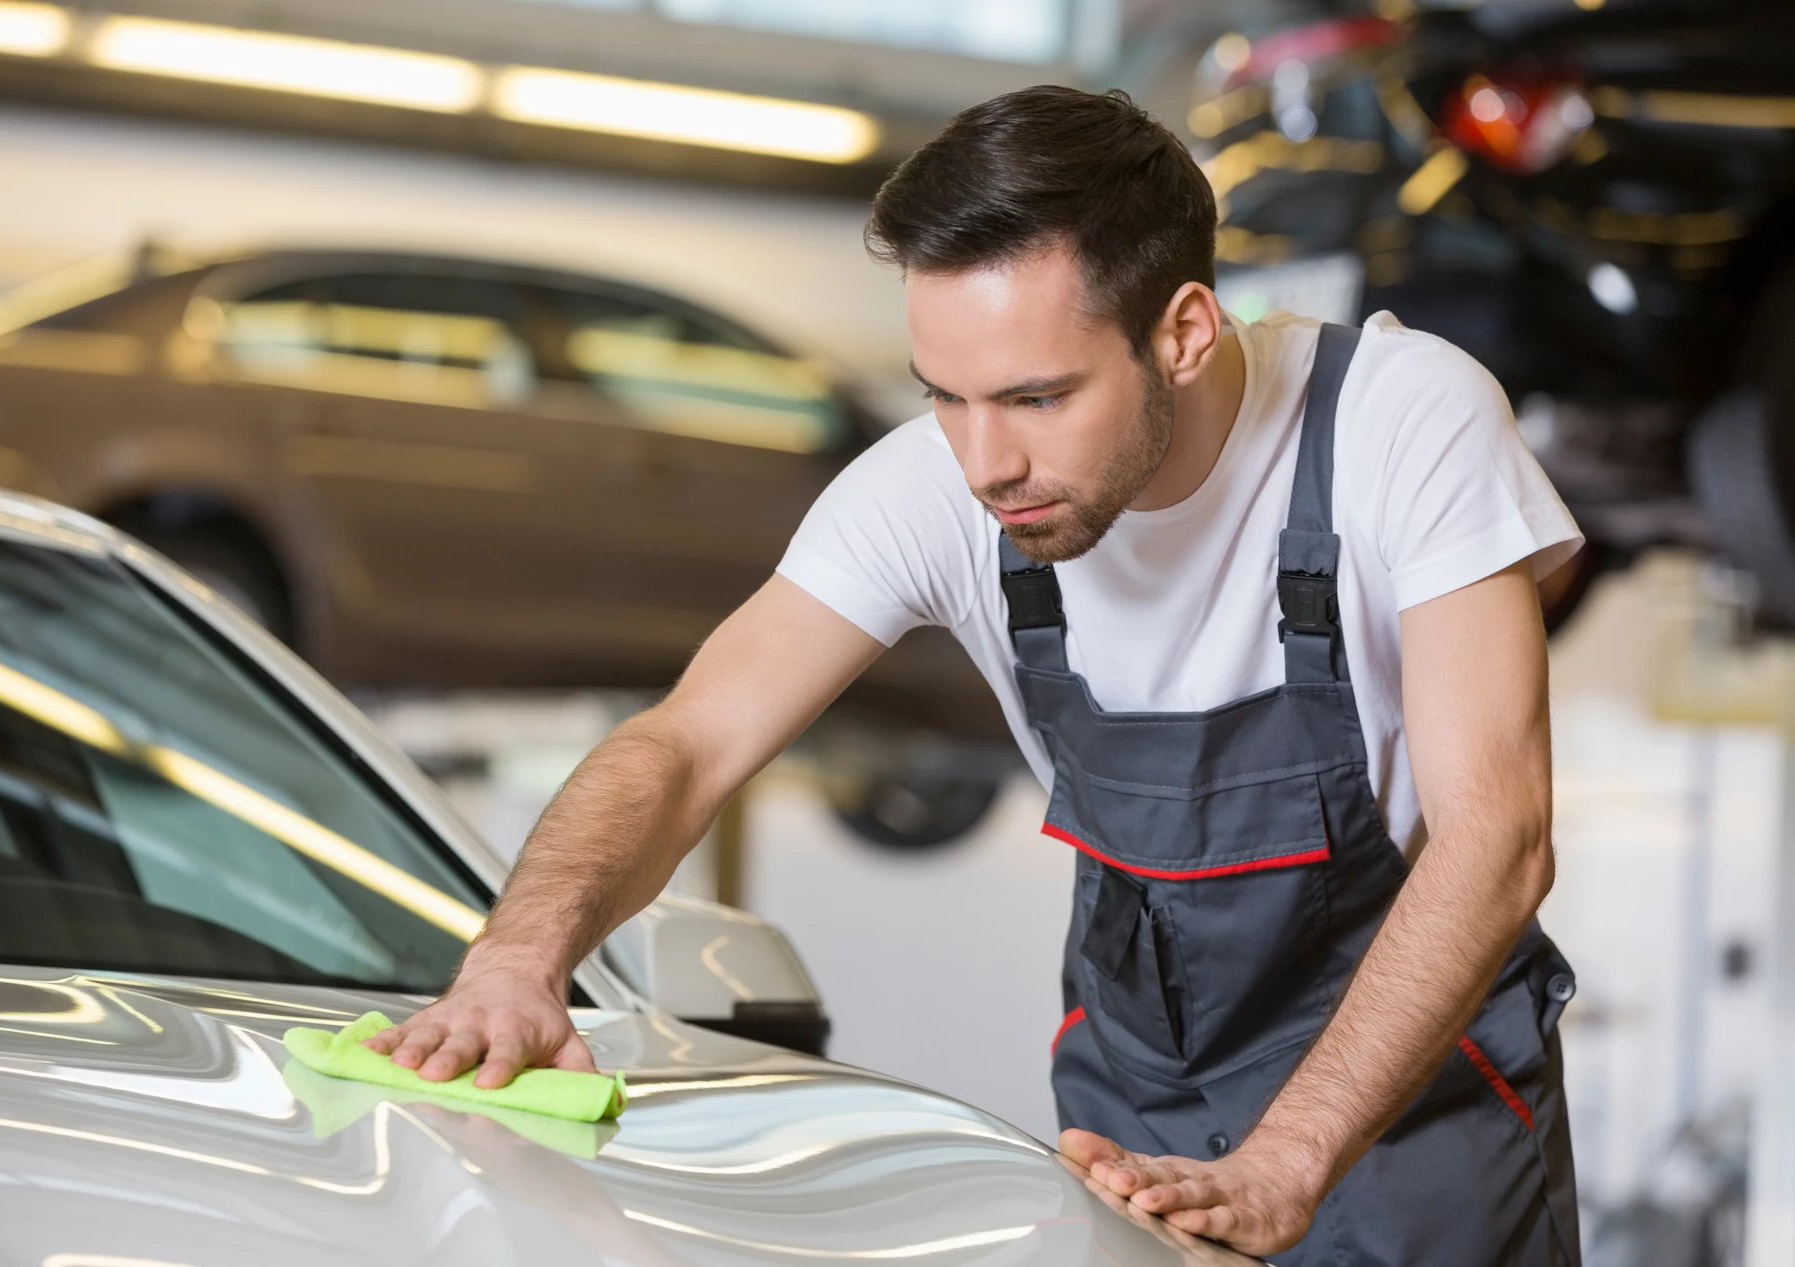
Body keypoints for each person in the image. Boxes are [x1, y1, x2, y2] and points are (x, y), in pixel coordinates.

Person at [364, 86, 1584, 1264]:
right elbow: (686, 744)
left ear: (1184, 331)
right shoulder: (937, 487)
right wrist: (516, 964)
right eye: (943, 396)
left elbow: (1497, 838)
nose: (985, 461)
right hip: (1136, 1123)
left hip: (1415, 1124)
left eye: (1037, 397)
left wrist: (1284, 1159)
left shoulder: (1398, 424)